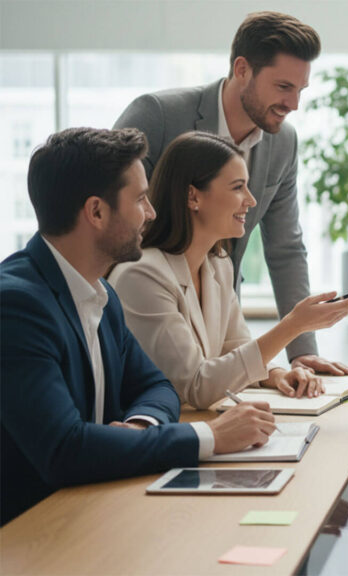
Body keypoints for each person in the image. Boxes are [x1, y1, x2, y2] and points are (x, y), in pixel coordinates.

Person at [1, 127, 277, 525]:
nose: (151, 213)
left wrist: (137, 427)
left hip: (99, 506)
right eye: (141, 200)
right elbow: (64, 449)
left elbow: (156, 386)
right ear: (96, 212)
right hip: (33, 531)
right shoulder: (17, 306)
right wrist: (210, 437)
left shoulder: (102, 295)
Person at [112, 11, 347, 375]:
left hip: (216, 315)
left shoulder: (283, 142)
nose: (294, 104)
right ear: (242, 69)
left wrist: (301, 351)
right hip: (141, 307)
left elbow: (285, 246)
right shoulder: (158, 115)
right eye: (283, 87)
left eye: (300, 90)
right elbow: (107, 208)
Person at [108, 132, 348, 410]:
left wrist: (277, 375)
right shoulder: (142, 275)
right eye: (238, 187)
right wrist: (293, 326)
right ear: (193, 196)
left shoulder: (218, 265)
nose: (251, 200)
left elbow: (235, 348)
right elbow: (197, 386)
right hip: (155, 434)